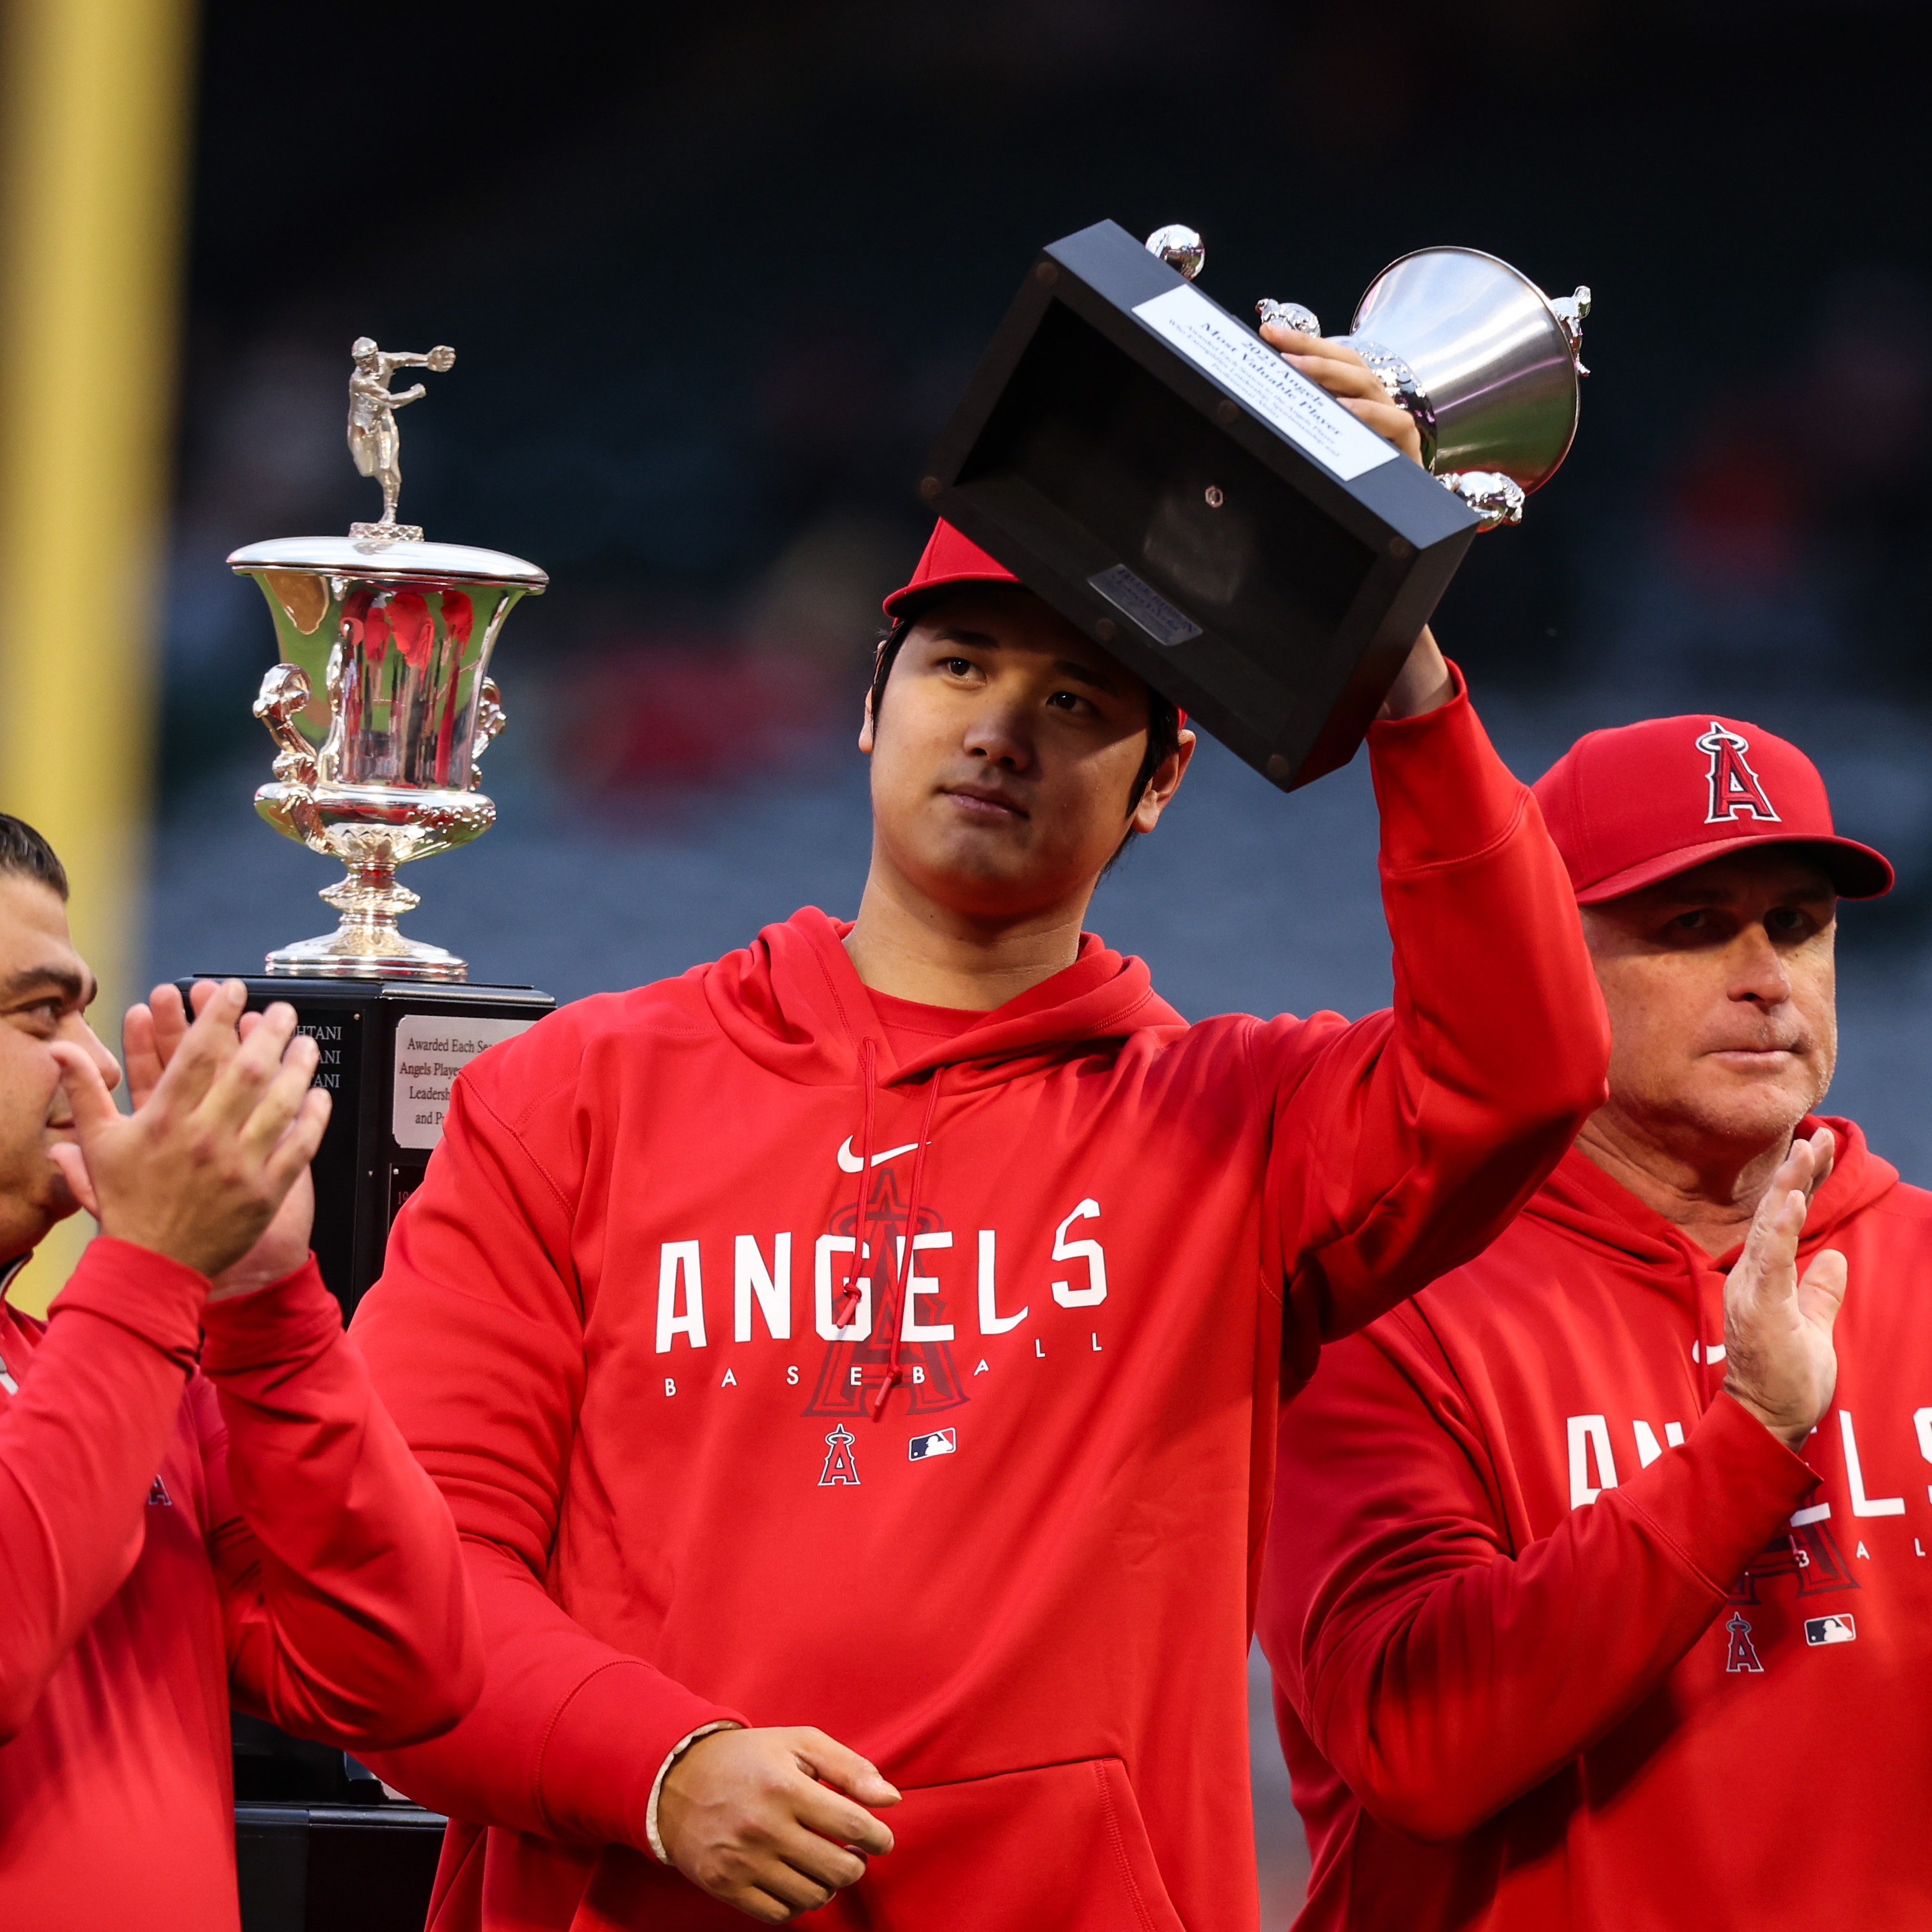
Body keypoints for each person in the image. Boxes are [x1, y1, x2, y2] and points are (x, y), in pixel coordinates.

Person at [349, 326, 1608, 1932]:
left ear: (1160, 785)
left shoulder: (1239, 1126)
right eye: (957, 667)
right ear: (867, 713)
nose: (1002, 726)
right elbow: (405, 1574)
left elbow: (1526, 1067)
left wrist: (1401, 647)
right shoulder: (577, 1092)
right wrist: (657, 1766)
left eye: (1077, 697)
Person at [1258, 713, 1930, 1930]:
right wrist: (1753, 1436)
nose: (1763, 975)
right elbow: (1416, 1739)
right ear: (1544, 961)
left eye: (1794, 923)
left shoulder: (1925, 1266)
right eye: (1690, 925)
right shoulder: (1383, 1300)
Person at [0, 813, 484, 1932]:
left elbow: (399, 1672)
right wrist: (152, 1266)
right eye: (41, 1010)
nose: (99, 1062)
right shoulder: (121, 1328)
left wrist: (268, 1311)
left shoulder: (108, 1358)